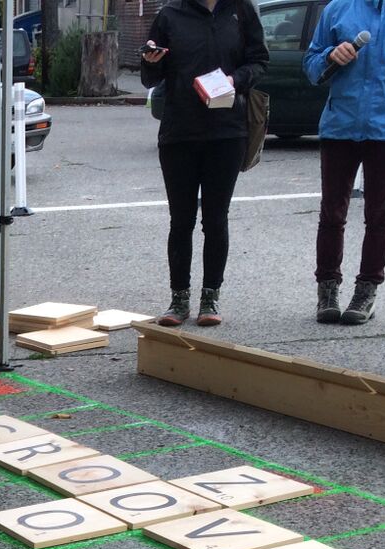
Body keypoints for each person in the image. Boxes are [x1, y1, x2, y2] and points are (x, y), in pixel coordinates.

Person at [304, 0, 385, 325]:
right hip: (340, 123)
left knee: (379, 213)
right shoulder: (338, 7)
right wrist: (329, 57)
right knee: (332, 212)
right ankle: (328, 289)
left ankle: (366, 290)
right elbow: (310, 64)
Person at [138, 0, 269, 327]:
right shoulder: (170, 14)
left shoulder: (241, 10)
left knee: (216, 218)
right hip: (179, 133)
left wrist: (234, 80)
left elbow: (259, 61)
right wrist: (151, 60)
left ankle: (210, 297)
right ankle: (178, 299)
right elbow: (150, 77)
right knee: (180, 220)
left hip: (227, 132)